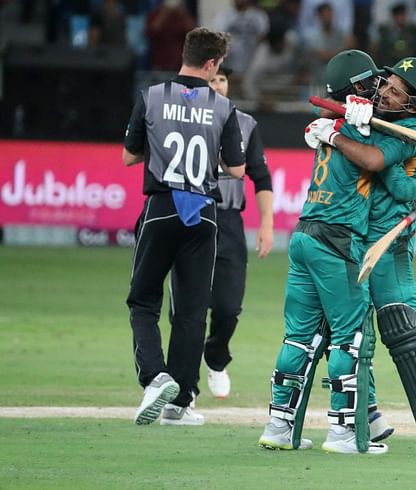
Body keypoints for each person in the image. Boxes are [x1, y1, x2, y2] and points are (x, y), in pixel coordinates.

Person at [258, 52, 393, 455]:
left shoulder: (335, 123)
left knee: (297, 339)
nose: (377, 89)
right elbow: (378, 158)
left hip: (304, 236)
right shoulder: (357, 127)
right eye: (370, 83)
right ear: (355, 88)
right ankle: (344, 433)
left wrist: (342, 125)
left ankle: (278, 426)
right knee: (349, 341)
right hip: (337, 240)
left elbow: (325, 131)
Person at [325, 56, 416, 456]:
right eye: (386, 84)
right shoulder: (379, 118)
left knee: (401, 329)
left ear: (414, 103)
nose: (385, 92)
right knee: (354, 334)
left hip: (390, 242)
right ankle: (369, 413)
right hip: (359, 240)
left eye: (397, 92)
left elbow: (385, 172)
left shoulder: (413, 127)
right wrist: (346, 122)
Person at [123, 27, 245, 426]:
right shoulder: (223, 107)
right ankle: (180, 402)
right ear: (211, 64)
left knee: (144, 300)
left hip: (161, 206)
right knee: (192, 311)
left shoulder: (151, 96)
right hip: (205, 213)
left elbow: (129, 156)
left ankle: (155, 377)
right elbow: (237, 168)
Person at [170, 65, 274, 402]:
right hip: (190, 214)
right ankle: (184, 384)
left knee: (228, 306)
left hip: (228, 221)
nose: (217, 84)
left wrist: (267, 223)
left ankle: (215, 358)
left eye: (222, 79)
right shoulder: (180, 118)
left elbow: (260, 175)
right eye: (212, 79)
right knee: (187, 307)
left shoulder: (245, 124)